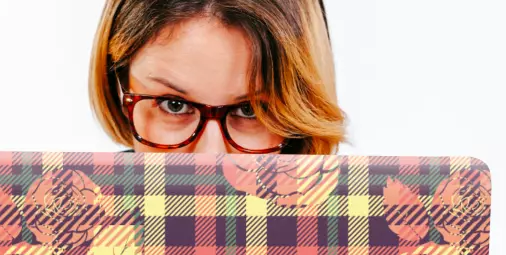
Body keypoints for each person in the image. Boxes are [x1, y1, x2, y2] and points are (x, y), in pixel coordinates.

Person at [89, 0, 345, 155]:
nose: (211, 157)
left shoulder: (343, 224)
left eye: (249, 110)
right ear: (119, 88)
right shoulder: (79, 220)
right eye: (174, 105)